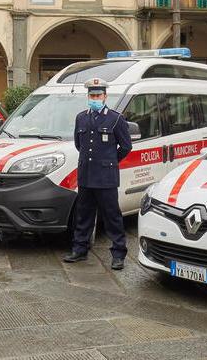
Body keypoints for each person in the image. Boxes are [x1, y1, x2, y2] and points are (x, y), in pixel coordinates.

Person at [63, 78, 133, 271]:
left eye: (98, 95)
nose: (94, 98)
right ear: (88, 97)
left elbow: (126, 146)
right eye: (92, 95)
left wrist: (110, 161)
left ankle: (118, 254)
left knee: (112, 217)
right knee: (83, 215)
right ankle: (80, 249)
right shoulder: (81, 118)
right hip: (86, 176)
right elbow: (79, 144)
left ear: (105, 96)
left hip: (106, 178)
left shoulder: (115, 119)